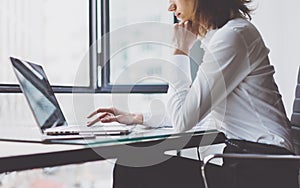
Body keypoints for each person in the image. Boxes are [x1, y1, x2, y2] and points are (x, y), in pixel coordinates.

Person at [87, 0, 298, 187]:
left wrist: (180, 51)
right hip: (252, 163)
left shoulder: (233, 37)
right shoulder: (230, 36)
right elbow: (195, 112)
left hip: (263, 170)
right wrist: (138, 118)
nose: (170, 7)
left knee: (132, 167)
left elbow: (183, 121)